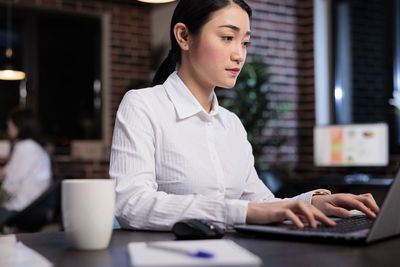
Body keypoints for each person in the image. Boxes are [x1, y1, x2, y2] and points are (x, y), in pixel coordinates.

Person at [110, 0, 379, 231]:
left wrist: (312, 202)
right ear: (184, 37)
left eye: (245, 42)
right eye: (228, 37)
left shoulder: (231, 124)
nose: (240, 55)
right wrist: (240, 212)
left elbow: (260, 203)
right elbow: (131, 204)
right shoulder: (143, 106)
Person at [0, 106, 52, 227]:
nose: (8, 128)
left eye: (10, 124)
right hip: (35, 206)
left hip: (22, 208)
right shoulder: (32, 147)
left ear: (19, 126)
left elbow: (10, 184)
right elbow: (8, 172)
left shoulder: (25, 148)